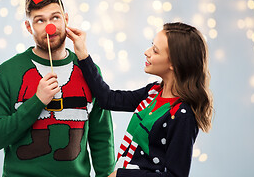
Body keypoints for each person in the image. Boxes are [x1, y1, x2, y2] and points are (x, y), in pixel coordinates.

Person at [0, 0, 115, 177]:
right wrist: (37, 101)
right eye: (40, 20)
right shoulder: (6, 73)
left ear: (66, 19)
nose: (49, 27)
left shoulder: (89, 71)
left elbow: (102, 137)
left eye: (55, 18)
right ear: (29, 27)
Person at [66, 22, 214, 177]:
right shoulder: (153, 93)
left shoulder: (182, 115)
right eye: (151, 46)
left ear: (174, 64)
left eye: (155, 51)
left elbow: (175, 175)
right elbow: (107, 99)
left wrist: (121, 175)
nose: (147, 52)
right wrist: (83, 54)